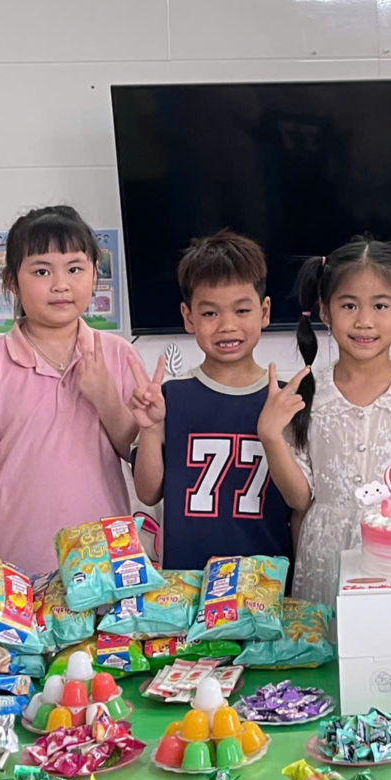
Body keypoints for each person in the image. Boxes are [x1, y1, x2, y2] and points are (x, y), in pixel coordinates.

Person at [0, 205, 145, 575]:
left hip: (103, 567)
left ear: (95, 274)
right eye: (42, 271)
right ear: (11, 280)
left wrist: (105, 396)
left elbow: (137, 458)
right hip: (12, 571)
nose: (61, 285)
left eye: (75, 269)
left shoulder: (118, 355)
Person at [287, 236, 391, 606]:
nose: (364, 321)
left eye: (380, 305)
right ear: (325, 310)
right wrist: (270, 434)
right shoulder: (307, 394)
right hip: (325, 559)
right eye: (349, 305)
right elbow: (299, 500)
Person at [130, 229, 310, 568]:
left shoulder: (286, 400)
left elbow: (300, 500)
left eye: (241, 311)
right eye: (210, 313)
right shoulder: (170, 397)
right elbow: (148, 492)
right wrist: (151, 429)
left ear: (265, 312)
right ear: (188, 317)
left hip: (264, 582)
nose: (227, 325)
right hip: (186, 583)